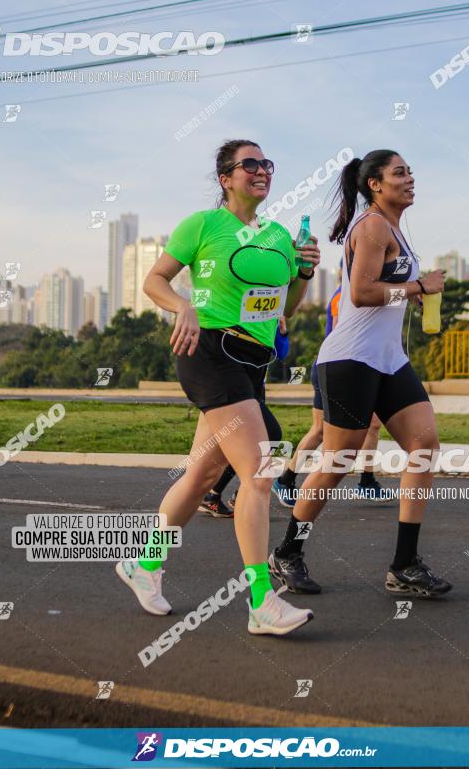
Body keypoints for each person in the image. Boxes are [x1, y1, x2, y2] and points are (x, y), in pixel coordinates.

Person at [116, 139, 321, 635]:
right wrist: (182, 304)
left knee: (201, 477)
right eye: (249, 164)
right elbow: (155, 280)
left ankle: (142, 566)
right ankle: (260, 601)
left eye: (267, 163)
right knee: (261, 468)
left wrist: (305, 271)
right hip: (208, 352)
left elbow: (285, 308)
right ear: (226, 178)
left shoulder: (275, 235)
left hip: (252, 362)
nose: (261, 170)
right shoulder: (203, 225)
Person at [270, 150, 452, 598]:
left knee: (424, 445)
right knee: (339, 463)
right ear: (375, 184)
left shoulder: (392, 228)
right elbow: (364, 292)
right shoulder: (371, 225)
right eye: (399, 173)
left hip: (389, 358)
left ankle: (404, 565)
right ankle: (287, 553)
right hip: (351, 359)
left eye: (410, 170)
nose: (410, 178)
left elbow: (378, 291)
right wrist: (417, 287)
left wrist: (407, 294)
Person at [272, 264, 387, 509]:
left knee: (372, 424)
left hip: (355, 366)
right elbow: (341, 336)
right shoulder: (342, 297)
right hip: (336, 367)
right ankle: (285, 480)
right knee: (320, 431)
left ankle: (366, 481)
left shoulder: (361, 294)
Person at [197, 317, 289, 518]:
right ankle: (223, 495)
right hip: (235, 388)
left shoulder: (268, 318)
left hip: (255, 389)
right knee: (272, 434)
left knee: (231, 447)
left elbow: (281, 353)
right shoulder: (237, 315)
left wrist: (282, 332)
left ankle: (215, 496)